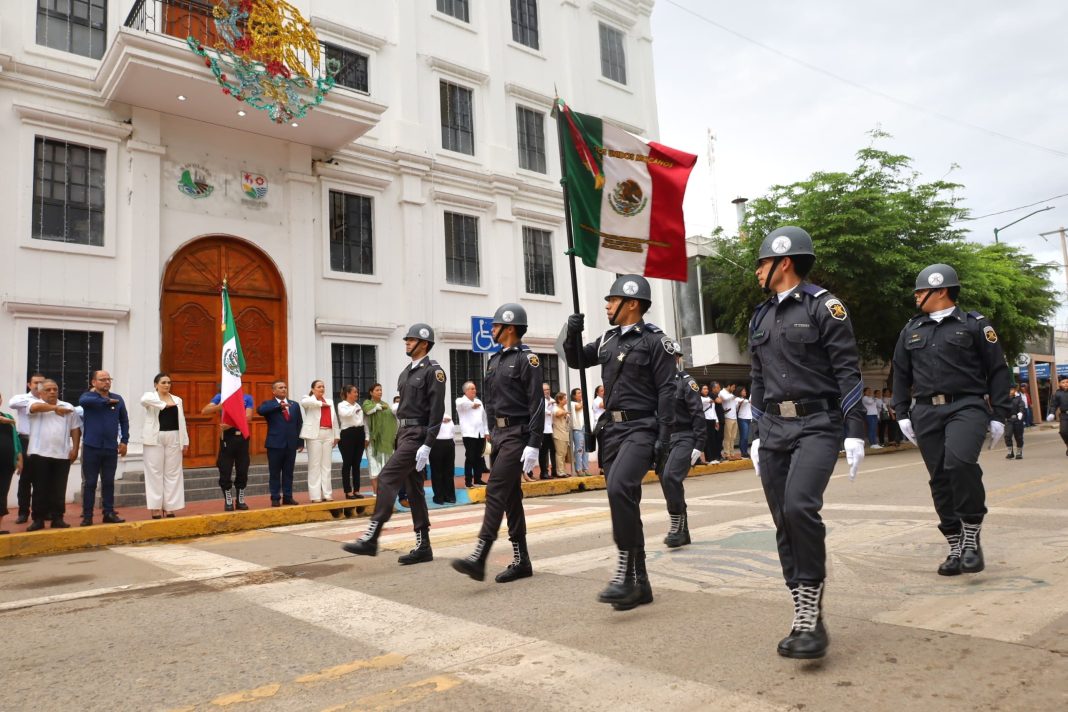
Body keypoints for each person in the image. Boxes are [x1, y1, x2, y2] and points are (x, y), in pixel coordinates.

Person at [748, 226, 867, 659]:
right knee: (783, 518)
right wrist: (756, 433)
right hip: (774, 427)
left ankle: (811, 611)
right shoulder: (759, 317)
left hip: (818, 423)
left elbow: (847, 370)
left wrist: (855, 430)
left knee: (800, 506)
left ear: (784, 262)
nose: (757, 271)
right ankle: (804, 611)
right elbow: (758, 378)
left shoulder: (824, 306)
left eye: (762, 262)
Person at [892, 263, 1011, 580]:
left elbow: (997, 370)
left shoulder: (974, 325)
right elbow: (900, 374)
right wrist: (901, 412)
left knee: (959, 463)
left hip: (966, 406)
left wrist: (999, 414)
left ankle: (971, 535)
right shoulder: (911, 329)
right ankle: (956, 546)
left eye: (920, 290)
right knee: (940, 479)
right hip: (925, 411)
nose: (915, 296)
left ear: (941, 290)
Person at [564, 274, 676, 611]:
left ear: (632, 303)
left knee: (619, 489)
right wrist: (572, 334)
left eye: (612, 300)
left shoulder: (655, 341)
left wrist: (664, 439)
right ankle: (640, 585)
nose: (607, 306)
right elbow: (576, 360)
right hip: (611, 431)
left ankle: (625, 574)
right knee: (625, 500)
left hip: (641, 428)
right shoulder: (607, 340)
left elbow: (667, 391)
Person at [452, 303, 543, 583]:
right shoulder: (494, 361)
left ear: (510, 328)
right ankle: (522, 560)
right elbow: (490, 401)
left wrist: (534, 442)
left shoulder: (527, 359)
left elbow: (536, 402)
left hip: (518, 434)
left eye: (495, 325)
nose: (491, 329)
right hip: (501, 436)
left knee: (495, 489)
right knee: (511, 496)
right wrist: (491, 431)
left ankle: (480, 556)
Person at [342, 323, 446, 564]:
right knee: (414, 489)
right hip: (404, 433)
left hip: (418, 433)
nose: (407, 342)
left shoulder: (434, 372)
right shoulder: (405, 373)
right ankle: (424, 545)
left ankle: (372, 535)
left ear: (424, 344)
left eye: (412, 340)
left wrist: (428, 443)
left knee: (387, 477)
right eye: (407, 339)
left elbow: (437, 410)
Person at [656, 340, 705, 548]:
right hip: (665, 439)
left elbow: (697, 413)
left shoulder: (686, 382)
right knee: (665, 480)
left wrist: (699, 444)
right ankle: (682, 530)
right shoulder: (657, 383)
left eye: (671, 357)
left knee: (671, 476)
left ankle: (677, 526)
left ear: (677, 358)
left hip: (685, 435)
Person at [27, 380, 81, 530]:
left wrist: (75, 448)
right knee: (40, 488)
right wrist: (55, 408)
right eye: (48, 389)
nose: (52, 392)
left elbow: (75, 428)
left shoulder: (68, 407)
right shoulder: (34, 403)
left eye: (55, 389)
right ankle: (38, 519)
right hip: (39, 453)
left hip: (62, 454)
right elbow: (35, 408)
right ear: (40, 392)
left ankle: (58, 518)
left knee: (59, 489)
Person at [79, 370, 130, 526]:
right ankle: (87, 515)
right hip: (91, 447)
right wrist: (106, 401)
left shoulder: (117, 399)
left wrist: (124, 441)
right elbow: (83, 401)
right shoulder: (88, 397)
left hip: (110, 447)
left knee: (108, 482)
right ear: (93, 382)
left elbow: (124, 420)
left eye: (109, 379)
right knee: (90, 483)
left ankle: (108, 512)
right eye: (102, 379)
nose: (107, 382)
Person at [140, 373, 188, 519]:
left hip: (174, 437)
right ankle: (155, 507)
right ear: (156, 385)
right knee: (154, 472)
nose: (167, 385)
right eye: (163, 382)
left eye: (169, 382)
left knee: (173, 472)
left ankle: (170, 507)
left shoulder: (177, 400)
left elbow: (182, 421)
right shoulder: (151, 397)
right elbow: (143, 400)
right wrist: (164, 405)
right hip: (154, 438)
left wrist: (185, 441)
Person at [202, 387, 254, 511]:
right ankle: (228, 499)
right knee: (225, 469)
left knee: (243, 469)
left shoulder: (247, 398)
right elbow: (204, 411)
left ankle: (240, 499)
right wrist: (219, 406)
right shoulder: (220, 396)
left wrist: (231, 424)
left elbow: (248, 417)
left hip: (242, 437)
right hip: (227, 438)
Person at [257, 380, 303, 506]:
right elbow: (260, 410)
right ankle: (275, 498)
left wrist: (300, 442)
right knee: (275, 473)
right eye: (280, 387)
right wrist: (279, 406)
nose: (283, 389)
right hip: (275, 444)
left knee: (288, 472)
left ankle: (288, 497)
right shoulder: (269, 404)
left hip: (291, 444)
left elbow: (299, 423)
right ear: (274, 391)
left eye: (285, 387)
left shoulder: (294, 405)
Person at [8, 373, 45, 524]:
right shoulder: (21, 398)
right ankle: (23, 512)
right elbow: (12, 403)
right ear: (29, 385)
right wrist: (36, 402)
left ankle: (39, 513)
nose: (39, 385)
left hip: (43, 443)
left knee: (42, 479)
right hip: (26, 441)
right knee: (25, 479)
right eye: (36, 383)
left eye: (42, 383)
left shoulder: (49, 400)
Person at [300, 380, 340, 502]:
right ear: (313, 389)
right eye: (319, 387)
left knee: (327, 466)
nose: (322, 388)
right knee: (314, 465)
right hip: (314, 435)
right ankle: (315, 496)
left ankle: (327, 494)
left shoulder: (330, 401)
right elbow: (305, 402)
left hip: (328, 434)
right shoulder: (308, 399)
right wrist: (320, 403)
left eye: (323, 386)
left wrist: (336, 435)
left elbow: (334, 419)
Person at [362, 384, 397, 496]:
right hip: (372, 441)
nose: (380, 392)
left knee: (385, 467)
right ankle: (376, 493)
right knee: (373, 466)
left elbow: (392, 421)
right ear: (371, 392)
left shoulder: (385, 405)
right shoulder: (367, 403)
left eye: (381, 390)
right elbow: (367, 412)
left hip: (385, 442)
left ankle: (384, 493)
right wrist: (376, 407)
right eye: (377, 390)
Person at [455, 381, 488, 488]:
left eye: (475, 388)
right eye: (472, 389)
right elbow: (461, 404)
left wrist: (486, 432)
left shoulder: (479, 401)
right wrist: (472, 405)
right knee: (470, 457)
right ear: (466, 391)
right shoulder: (460, 400)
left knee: (479, 457)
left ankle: (478, 479)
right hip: (469, 434)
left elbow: (484, 418)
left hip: (480, 434)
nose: (475, 390)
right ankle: (468, 481)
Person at [336, 385, 367, 499]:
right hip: (347, 434)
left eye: (357, 392)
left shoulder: (357, 405)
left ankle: (357, 490)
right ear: (348, 394)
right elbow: (346, 414)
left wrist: (366, 436)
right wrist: (355, 408)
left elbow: (362, 421)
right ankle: (348, 491)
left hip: (359, 432)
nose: (357, 394)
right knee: (347, 463)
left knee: (357, 463)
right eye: (354, 392)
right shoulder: (342, 405)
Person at [0, 394, 24, 534]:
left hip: (6, 463)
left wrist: (19, 458)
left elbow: (16, 439)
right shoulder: (5, 419)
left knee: (2, 494)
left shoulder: (8, 417)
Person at [429, 413, 457, 505]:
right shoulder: (431, 413)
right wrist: (440, 419)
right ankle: (442, 497)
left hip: (446, 443)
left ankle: (446, 497)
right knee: (440, 471)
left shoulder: (446, 415)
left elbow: (452, 430)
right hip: (439, 442)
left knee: (446, 471)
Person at [570, 388, 590, 476]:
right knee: (579, 449)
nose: (581, 394)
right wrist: (585, 400)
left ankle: (585, 468)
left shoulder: (582, 403)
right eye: (578, 393)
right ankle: (578, 469)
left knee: (586, 449)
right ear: (574, 396)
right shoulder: (572, 403)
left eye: (581, 392)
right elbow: (578, 407)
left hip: (585, 427)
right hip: (578, 429)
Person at [537, 382, 556, 480]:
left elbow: (555, 411)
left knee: (553, 450)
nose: (546, 391)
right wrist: (549, 409)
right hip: (543, 430)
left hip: (550, 429)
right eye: (544, 390)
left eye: (548, 389)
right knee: (543, 452)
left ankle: (554, 470)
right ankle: (543, 472)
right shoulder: (539, 400)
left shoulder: (552, 400)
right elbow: (541, 411)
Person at [551, 392, 572, 477]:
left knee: (563, 454)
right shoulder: (555, 408)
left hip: (565, 433)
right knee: (560, 454)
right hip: (558, 434)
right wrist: (565, 412)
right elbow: (557, 414)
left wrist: (565, 412)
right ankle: (560, 472)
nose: (566, 400)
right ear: (559, 400)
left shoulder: (563, 408)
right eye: (564, 398)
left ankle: (563, 471)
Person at [699, 384, 720, 464]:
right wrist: (709, 401)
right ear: (700, 390)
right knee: (707, 440)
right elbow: (701, 402)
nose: (706, 390)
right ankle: (709, 458)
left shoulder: (710, 398)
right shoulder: (700, 398)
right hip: (705, 420)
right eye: (704, 389)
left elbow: (713, 410)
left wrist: (716, 421)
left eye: (707, 389)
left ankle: (714, 458)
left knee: (713, 439)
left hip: (712, 420)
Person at [1047, 374, 1068, 455]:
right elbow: (1053, 405)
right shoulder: (1057, 394)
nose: (1065, 384)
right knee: (1063, 432)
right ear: (1059, 384)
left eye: (1067, 382)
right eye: (1063, 382)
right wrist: (1052, 413)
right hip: (1064, 415)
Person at [1004, 386, 1026, 460]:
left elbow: (1022, 406)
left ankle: (1019, 452)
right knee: (1007, 435)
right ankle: (1010, 452)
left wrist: (1021, 412)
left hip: (1017, 419)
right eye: (1009, 390)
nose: (1010, 391)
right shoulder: (1005, 399)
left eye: (1012, 389)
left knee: (1019, 437)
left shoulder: (1018, 398)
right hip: (1008, 420)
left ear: (1014, 390)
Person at [719, 383, 739, 459]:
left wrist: (737, 402)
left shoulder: (731, 394)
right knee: (727, 437)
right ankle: (727, 454)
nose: (734, 389)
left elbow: (735, 405)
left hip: (734, 417)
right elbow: (725, 398)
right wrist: (734, 396)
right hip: (727, 417)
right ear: (728, 386)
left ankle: (732, 453)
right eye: (733, 387)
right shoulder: (722, 392)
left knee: (733, 437)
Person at [736, 386, 752, 458]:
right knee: (744, 437)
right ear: (739, 392)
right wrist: (739, 403)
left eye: (745, 391)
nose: (745, 392)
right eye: (743, 391)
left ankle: (745, 452)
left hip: (748, 419)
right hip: (742, 419)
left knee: (746, 437)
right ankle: (743, 452)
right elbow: (736, 407)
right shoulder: (737, 399)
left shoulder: (746, 400)